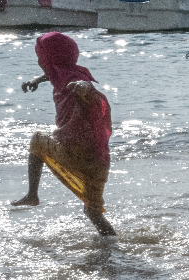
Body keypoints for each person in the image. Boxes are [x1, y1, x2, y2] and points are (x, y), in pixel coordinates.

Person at [11, 32, 114, 235]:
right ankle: (114, 250)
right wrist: (37, 80)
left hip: (75, 153)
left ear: (51, 59)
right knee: (94, 214)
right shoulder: (63, 73)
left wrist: (84, 88)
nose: (39, 61)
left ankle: (32, 194)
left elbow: (91, 93)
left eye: (41, 58)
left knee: (37, 140)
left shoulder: (75, 80)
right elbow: (52, 74)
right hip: (98, 161)